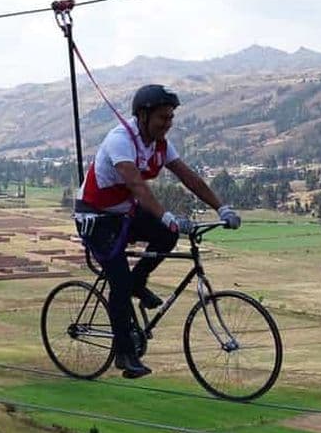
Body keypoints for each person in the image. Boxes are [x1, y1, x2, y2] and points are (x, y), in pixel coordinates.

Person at [74, 84, 241, 378]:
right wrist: (166, 216)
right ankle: (124, 354)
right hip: (96, 218)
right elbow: (137, 186)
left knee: (167, 236)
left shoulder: (160, 145)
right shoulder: (120, 140)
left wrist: (221, 208)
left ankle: (138, 282)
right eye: (163, 117)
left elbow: (188, 177)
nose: (168, 123)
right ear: (142, 115)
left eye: (171, 117)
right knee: (119, 282)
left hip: (123, 213)